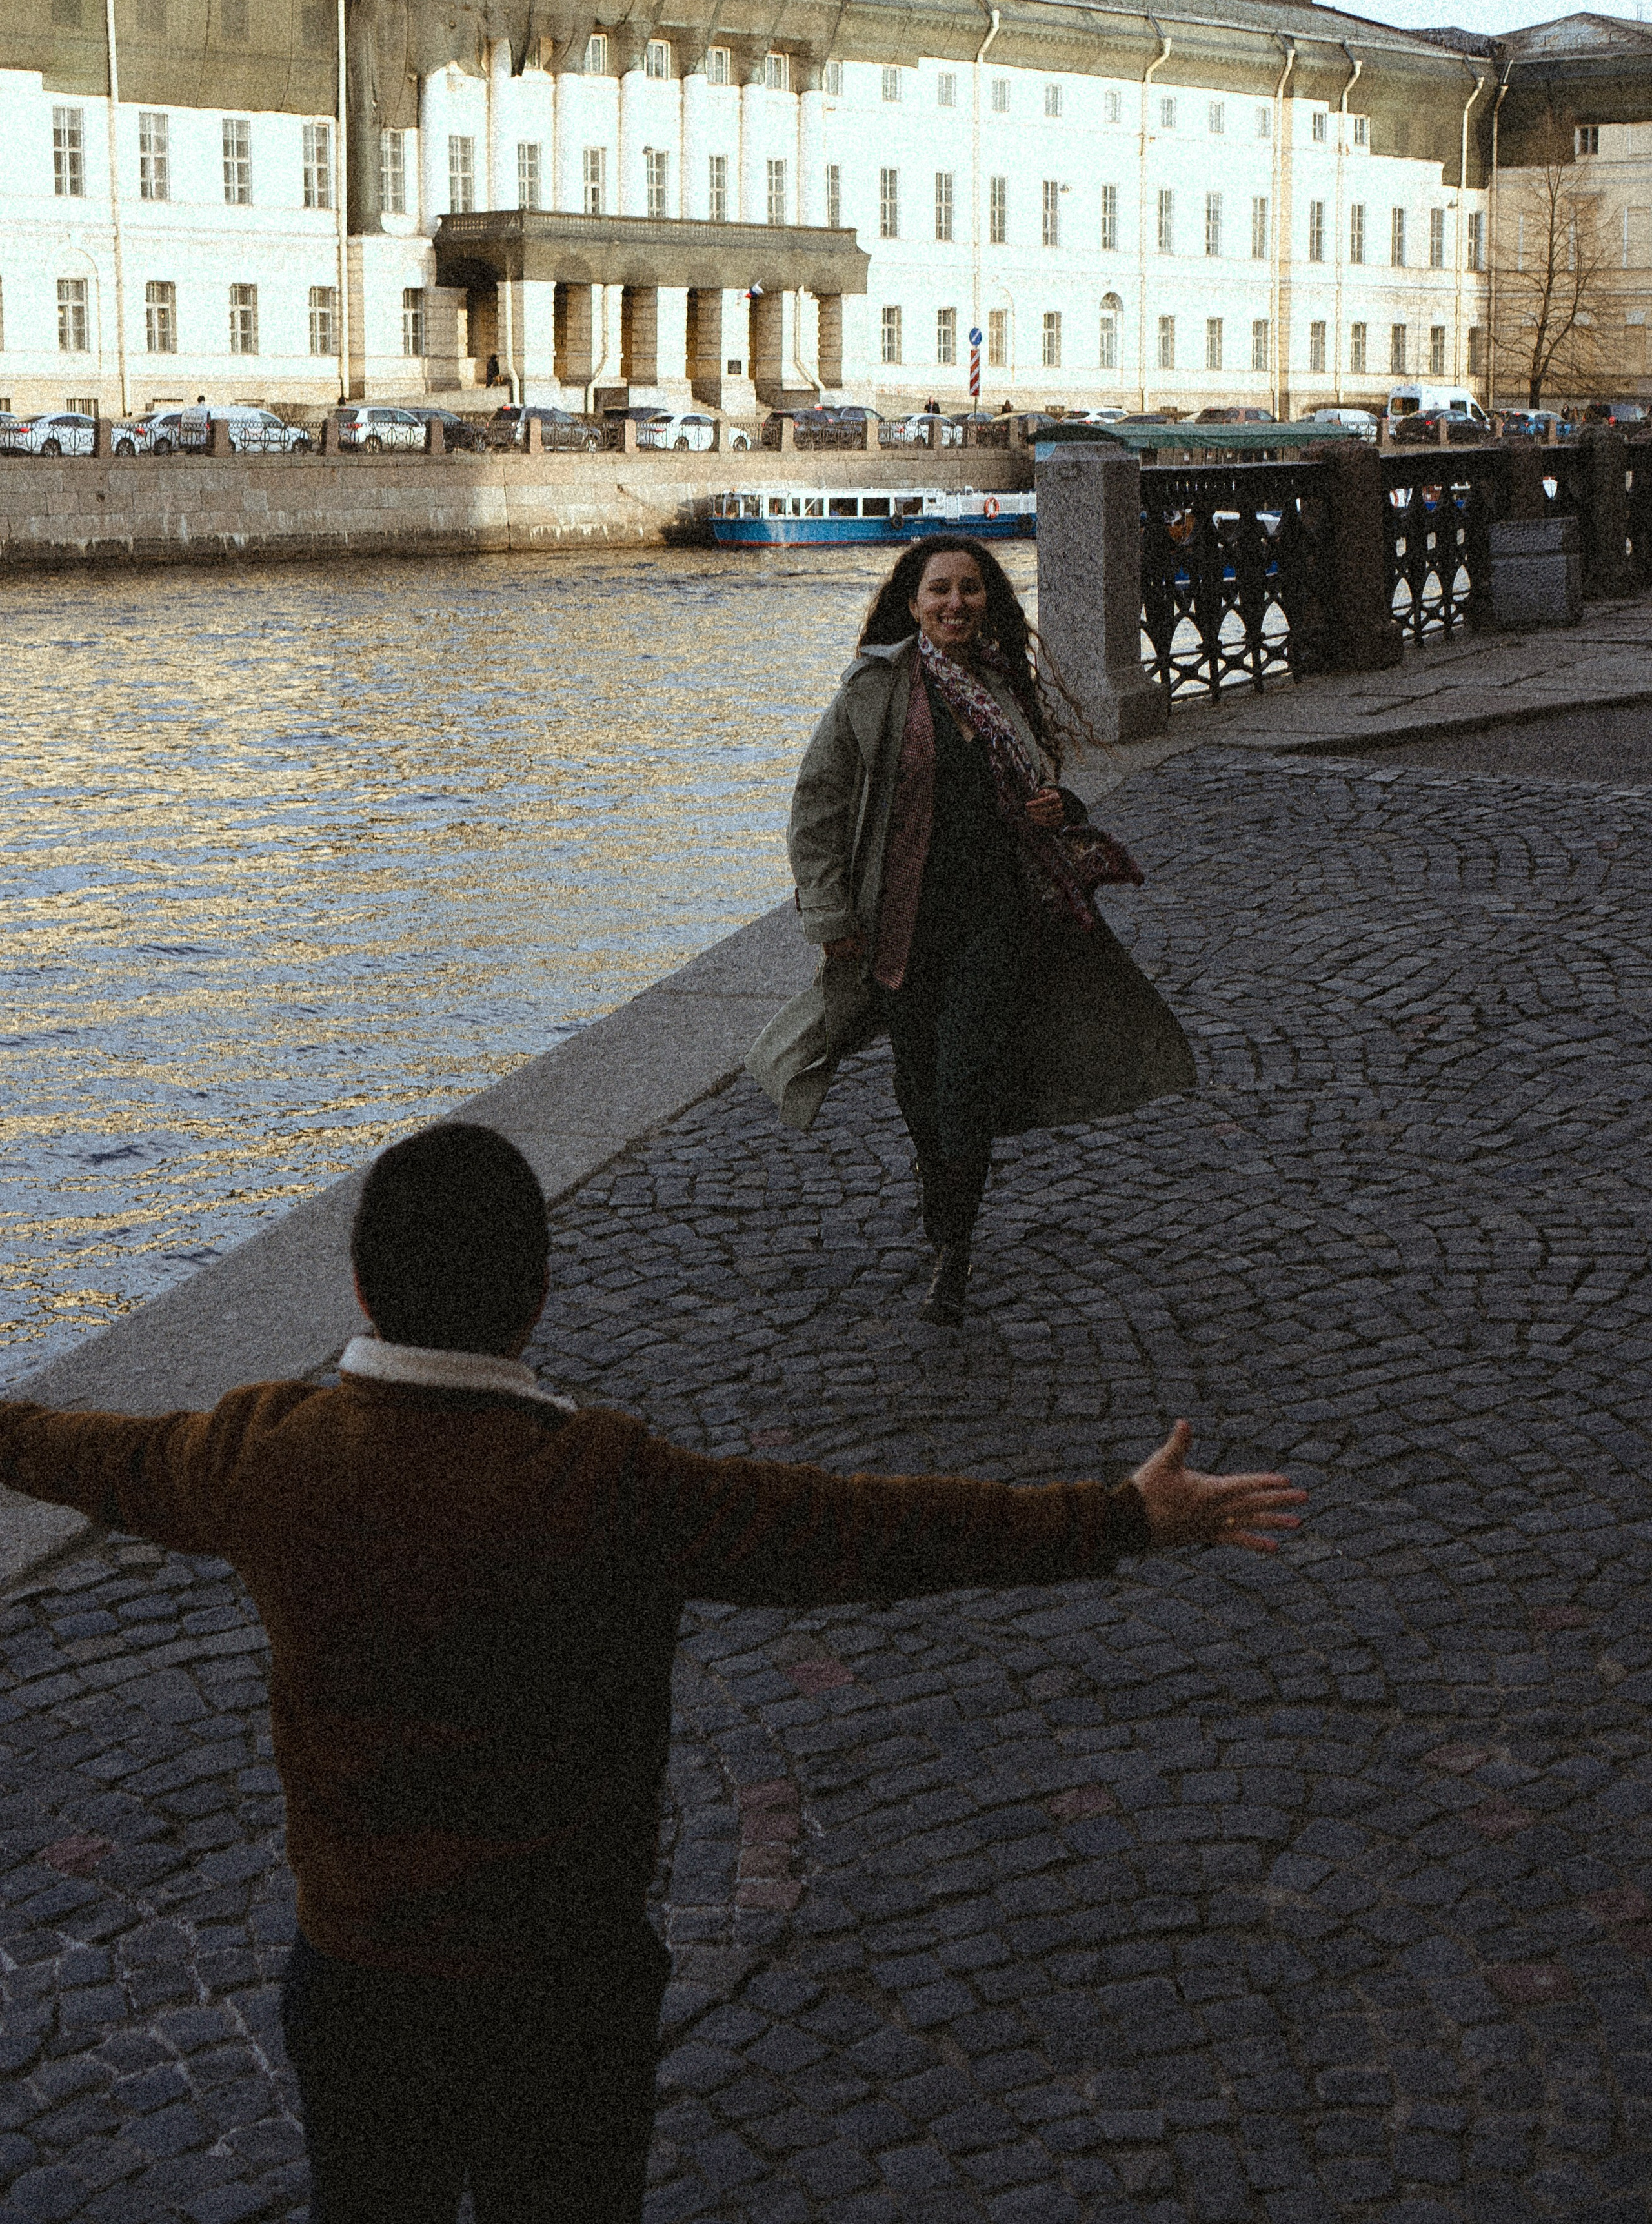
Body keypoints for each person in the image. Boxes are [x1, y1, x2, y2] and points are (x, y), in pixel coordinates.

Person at [0, 1122, 1305, 2224]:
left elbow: (81, 1454)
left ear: (357, 1289)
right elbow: (864, 1534)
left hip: (360, 1982)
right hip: (563, 1989)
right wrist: (1118, 1518)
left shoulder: (264, 1457)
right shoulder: (605, 1486)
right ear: (536, 1295)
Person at [749, 536, 1196, 1322]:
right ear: (912, 602)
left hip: (998, 921)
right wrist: (828, 915)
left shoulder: (1003, 685)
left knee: (964, 1082)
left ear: (987, 599)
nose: (956, 603)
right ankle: (938, 1185)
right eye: (940, 591)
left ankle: (952, 1249)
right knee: (918, 1083)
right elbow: (815, 810)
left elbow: (1042, 783)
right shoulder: (874, 690)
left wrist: (1064, 808)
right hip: (902, 927)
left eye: (971, 589)